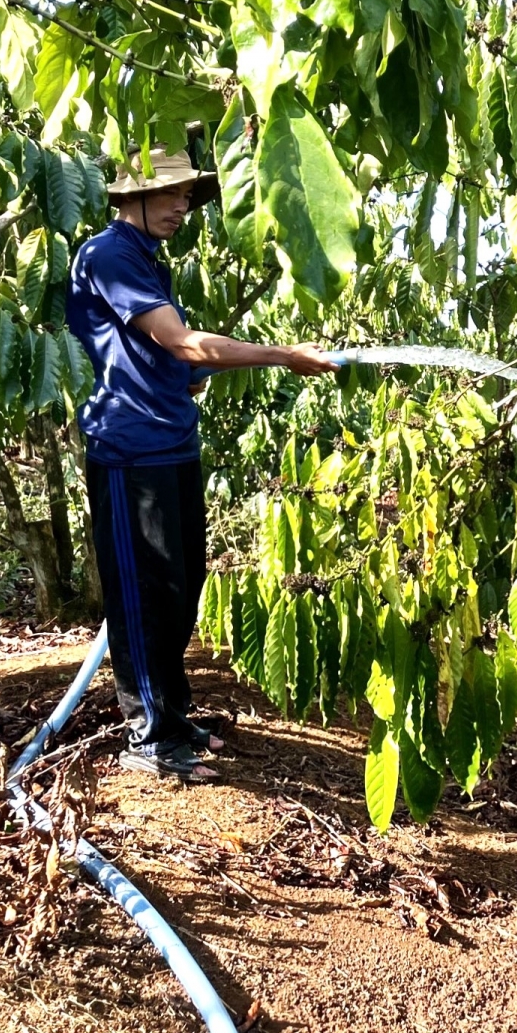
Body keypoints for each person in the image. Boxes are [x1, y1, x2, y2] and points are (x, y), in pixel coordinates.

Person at [67, 147, 339, 782]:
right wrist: (282, 355)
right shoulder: (108, 253)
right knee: (144, 595)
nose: (183, 207)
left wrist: (182, 379)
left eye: (189, 196)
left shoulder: (148, 264)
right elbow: (182, 341)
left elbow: (163, 355)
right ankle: (148, 735)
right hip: (129, 451)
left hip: (173, 443)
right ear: (131, 196)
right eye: (173, 194)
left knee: (182, 588)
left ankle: (173, 713)